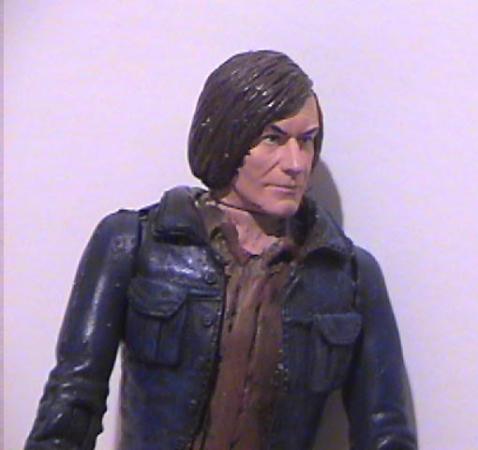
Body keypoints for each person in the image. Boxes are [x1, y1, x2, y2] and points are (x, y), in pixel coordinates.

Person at [26, 50, 418, 450]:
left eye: (307, 141)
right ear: (229, 138)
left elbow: (384, 429)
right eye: (273, 138)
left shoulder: (348, 275)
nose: (296, 163)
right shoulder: (134, 243)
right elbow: (73, 399)